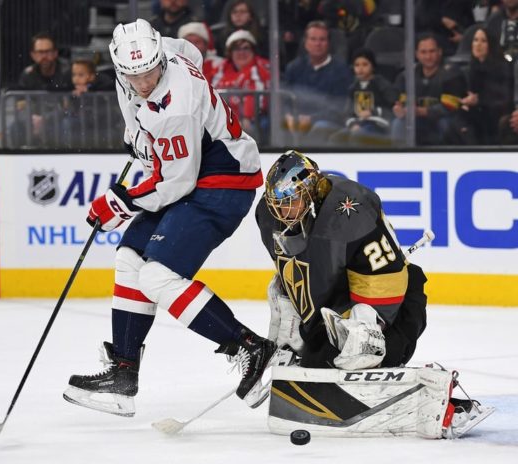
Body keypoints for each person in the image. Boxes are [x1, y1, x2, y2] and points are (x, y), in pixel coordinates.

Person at [63, 19, 276, 416]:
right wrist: (141, 141)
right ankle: (123, 373)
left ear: (159, 58)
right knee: (129, 258)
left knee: (158, 275)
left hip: (224, 182)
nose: (143, 82)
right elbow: (191, 53)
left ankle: (251, 347)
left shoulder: (173, 108)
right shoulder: (168, 51)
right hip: (197, 175)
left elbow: (176, 182)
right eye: (133, 74)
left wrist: (119, 202)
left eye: (150, 72)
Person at [256, 150, 428, 371]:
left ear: (310, 191)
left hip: (397, 303)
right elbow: (296, 270)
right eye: (276, 202)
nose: (281, 210)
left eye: (290, 200)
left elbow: (387, 280)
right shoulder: (268, 217)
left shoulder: (351, 212)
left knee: (379, 354)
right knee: (317, 360)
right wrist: (293, 315)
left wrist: (366, 327)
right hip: (340, 302)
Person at [391, 33, 470, 145]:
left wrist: (423, 111)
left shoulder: (452, 73)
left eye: (432, 51)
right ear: (417, 54)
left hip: (443, 120)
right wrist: (400, 108)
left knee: (446, 124)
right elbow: (399, 98)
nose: (428, 56)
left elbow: (452, 106)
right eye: (423, 52)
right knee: (398, 123)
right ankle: (400, 160)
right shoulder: (407, 75)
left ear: (440, 52)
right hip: (418, 121)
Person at [283, 20, 353, 145]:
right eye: (313, 39)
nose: (317, 44)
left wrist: (311, 119)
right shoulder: (293, 68)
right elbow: (283, 99)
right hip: (296, 122)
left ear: (328, 43)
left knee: (320, 128)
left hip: (327, 123)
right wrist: (288, 116)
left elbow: (339, 108)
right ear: (305, 43)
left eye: (322, 39)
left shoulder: (341, 70)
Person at [10, 32, 72, 148]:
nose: (44, 56)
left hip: (59, 119)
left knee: (66, 125)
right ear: (33, 55)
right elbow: (20, 105)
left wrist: (46, 119)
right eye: (40, 52)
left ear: (55, 53)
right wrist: (31, 119)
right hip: (34, 120)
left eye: (48, 52)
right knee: (15, 127)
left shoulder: (68, 72)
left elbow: (69, 106)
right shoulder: (27, 75)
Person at [329, 47, 398, 146]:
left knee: (358, 135)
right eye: (357, 65)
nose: (360, 69)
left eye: (365, 64)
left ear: (373, 66)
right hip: (358, 124)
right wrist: (353, 124)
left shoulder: (380, 84)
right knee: (335, 138)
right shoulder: (353, 87)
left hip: (378, 125)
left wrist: (372, 112)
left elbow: (391, 105)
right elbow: (348, 113)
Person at [211, 30, 271, 143]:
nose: (241, 52)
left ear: (253, 51)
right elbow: (212, 94)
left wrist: (247, 117)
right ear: (230, 52)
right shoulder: (221, 69)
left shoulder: (258, 68)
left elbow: (257, 96)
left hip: (252, 120)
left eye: (246, 48)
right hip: (226, 121)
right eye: (237, 49)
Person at [460, 27, 513, 144]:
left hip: (497, 115)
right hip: (479, 112)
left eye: (483, 41)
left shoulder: (502, 67)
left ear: (491, 44)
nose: (478, 44)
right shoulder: (471, 68)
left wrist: (478, 101)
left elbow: (504, 100)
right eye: (475, 40)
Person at [61, 59, 115, 148]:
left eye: (81, 75)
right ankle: (69, 148)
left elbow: (110, 86)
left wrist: (89, 90)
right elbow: (53, 87)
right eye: (74, 75)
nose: (76, 78)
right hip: (80, 123)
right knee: (67, 122)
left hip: (101, 122)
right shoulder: (71, 87)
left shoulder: (102, 82)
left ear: (91, 76)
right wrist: (68, 98)